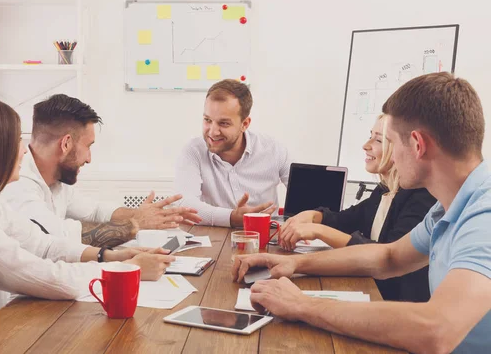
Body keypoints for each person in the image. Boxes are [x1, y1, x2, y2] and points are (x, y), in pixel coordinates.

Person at [0, 96, 174, 354]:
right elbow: (50, 278)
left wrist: (109, 256)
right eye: (16, 141)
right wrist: (129, 270)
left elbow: (43, 244)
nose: (24, 151)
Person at [232, 72, 491, 353]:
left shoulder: (483, 217)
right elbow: (388, 256)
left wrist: (302, 305)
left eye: (391, 142)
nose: (389, 156)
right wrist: (294, 264)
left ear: (418, 144)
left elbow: (437, 330)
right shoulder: (448, 206)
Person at [1, 94, 201, 246]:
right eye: (88, 146)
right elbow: (56, 235)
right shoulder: (18, 184)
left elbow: (96, 211)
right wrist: (135, 224)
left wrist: (144, 215)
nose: (89, 158)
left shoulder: (57, 180)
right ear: (66, 144)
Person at [278, 114, 436, 302]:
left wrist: (318, 230)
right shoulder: (384, 190)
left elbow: (387, 256)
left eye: (378, 139)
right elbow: (346, 219)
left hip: (394, 303)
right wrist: (313, 216)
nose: (366, 145)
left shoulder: (421, 197)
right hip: (373, 291)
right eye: (370, 135)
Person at [174, 79, 292, 227]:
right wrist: (231, 217)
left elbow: (304, 201)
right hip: (213, 240)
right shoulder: (193, 151)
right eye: (207, 120)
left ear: (245, 124)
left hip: (265, 240)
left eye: (224, 123)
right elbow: (185, 205)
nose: (213, 131)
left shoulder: (274, 150)